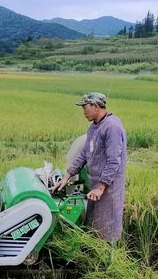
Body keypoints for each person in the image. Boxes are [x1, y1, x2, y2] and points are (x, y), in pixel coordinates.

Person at [53, 92, 127, 243]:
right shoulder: (93, 127)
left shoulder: (112, 127)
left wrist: (101, 187)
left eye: (85, 107)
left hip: (109, 189)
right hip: (95, 186)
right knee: (94, 227)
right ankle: (96, 259)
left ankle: (109, 261)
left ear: (95, 106)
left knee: (107, 229)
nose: (83, 111)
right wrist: (66, 177)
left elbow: (114, 160)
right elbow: (84, 154)